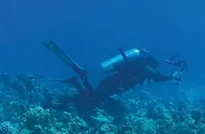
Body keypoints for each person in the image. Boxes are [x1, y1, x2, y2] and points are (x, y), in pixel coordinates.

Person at [43, 42, 184, 104]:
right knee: (93, 100)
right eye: (153, 68)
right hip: (113, 85)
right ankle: (76, 80)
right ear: (150, 65)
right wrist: (171, 76)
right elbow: (157, 77)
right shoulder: (144, 69)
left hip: (112, 83)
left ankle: (76, 81)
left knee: (93, 98)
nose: (153, 70)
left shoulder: (138, 66)